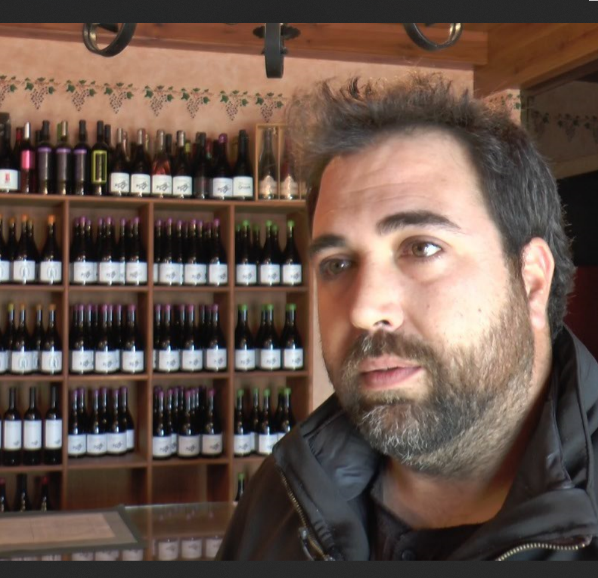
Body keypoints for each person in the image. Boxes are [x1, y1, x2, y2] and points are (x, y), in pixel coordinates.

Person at [217, 73, 598, 560]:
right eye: (337, 264)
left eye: (422, 248)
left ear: (532, 281)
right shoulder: (284, 496)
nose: (363, 309)